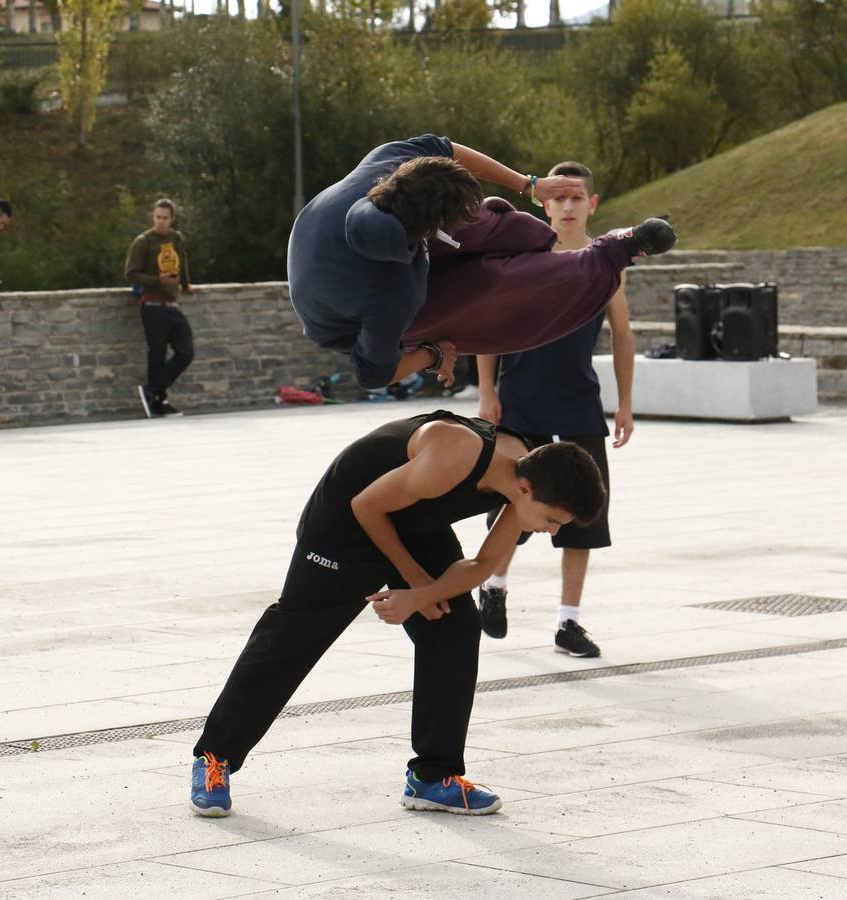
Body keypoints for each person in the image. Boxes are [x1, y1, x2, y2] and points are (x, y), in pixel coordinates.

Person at [188, 409, 606, 818]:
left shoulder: (527, 476)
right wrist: (415, 581)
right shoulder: (456, 453)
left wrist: (423, 595)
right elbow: (366, 505)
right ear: (526, 488)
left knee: (456, 625)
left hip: (414, 523)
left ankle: (433, 777)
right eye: (552, 520)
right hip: (347, 518)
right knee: (295, 634)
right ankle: (214, 757)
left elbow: (482, 566)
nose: (552, 531)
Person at [286, 134, 672, 391]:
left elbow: (448, 149)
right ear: (431, 232)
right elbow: (372, 374)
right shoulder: (394, 297)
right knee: (489, 283)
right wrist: (434, 353)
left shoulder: (390, 162)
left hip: (359, 252)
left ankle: (536, 244)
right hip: (346, 322)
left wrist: (528, 184)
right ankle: (611, 254)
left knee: (481, 221)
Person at [475, 161, 634, 659]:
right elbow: (488, 324)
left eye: (576, 196)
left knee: (585, 514)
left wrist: (626, 403)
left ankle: (569, 622)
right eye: (558, 197)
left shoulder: (606, 262)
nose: (567, 205)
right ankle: (493, 585)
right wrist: (487, 391)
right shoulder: (523, 255)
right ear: (544, 204)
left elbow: (623, 334)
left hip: (578, 403)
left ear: (592, 204)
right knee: (513, 503)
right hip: (520, 400)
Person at [125, 198, 195, 418]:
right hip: (152, 304)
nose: (161, 221)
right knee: (157, 354)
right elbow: (131, 273)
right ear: (153, 217)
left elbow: (182, 262)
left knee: (186, 351)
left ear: (171, 219)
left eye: (165, 218)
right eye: (158, 217)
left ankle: (152, 390)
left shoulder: (176, 238)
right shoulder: (143, 241)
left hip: (172, 303)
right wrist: (157, 280)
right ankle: (159, 401)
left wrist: (186, 284)